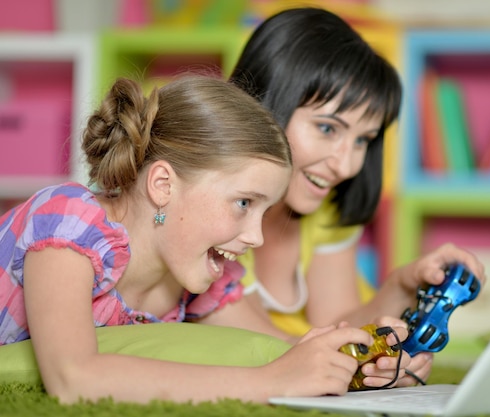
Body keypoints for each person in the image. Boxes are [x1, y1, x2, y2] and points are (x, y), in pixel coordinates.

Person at [0, 74, 410, 404]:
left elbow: (283, 349)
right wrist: (268, 383)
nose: (257, 237)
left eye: (264, 211)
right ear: (163, 185)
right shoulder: (69, 222)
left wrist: (369, 363)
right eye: (244, 203)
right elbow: (73, 377)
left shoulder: (200, 274)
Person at [205, 7, 487, 388]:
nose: (347, 165)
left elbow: (339, 321)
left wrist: (404, 286)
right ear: (263, 105)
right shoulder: (210, 213)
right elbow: (259, 345)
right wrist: (357, 359)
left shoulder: (325, 212)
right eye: (326, 128)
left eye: (363, 140)